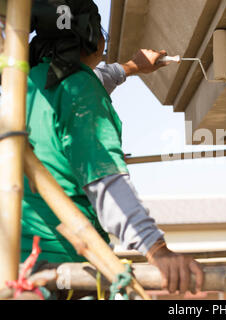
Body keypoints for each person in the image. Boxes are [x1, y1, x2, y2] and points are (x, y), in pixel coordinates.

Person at [22, 0, 203, 295]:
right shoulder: (80, 88)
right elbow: (103, 177)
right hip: (62, 269)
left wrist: (132, 67)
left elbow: (93, 78)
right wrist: (156, 249)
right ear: (91, 35)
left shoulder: (26, 85)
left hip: (19, 264)